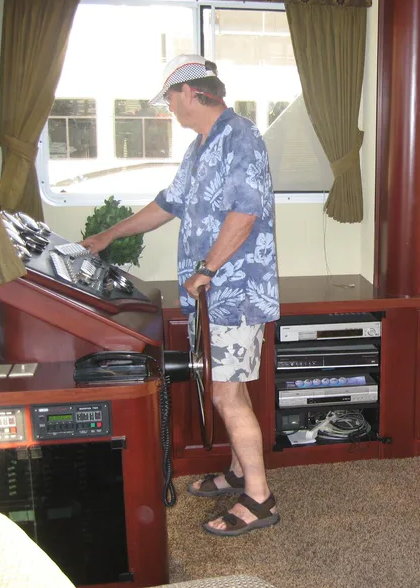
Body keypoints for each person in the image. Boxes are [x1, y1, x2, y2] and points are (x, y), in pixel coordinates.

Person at [81, 54, 280, 537]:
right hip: (207, 295)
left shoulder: (242, 137)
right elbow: (168, 204)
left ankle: (259, 497)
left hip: (231, 293)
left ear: (192, 92)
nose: (168, 106)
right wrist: (108, 235)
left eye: (170, 96)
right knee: (233, 386)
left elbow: (245, 214)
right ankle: (238, 469)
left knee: (225, 394)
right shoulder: (200, 147)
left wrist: (207, 269)